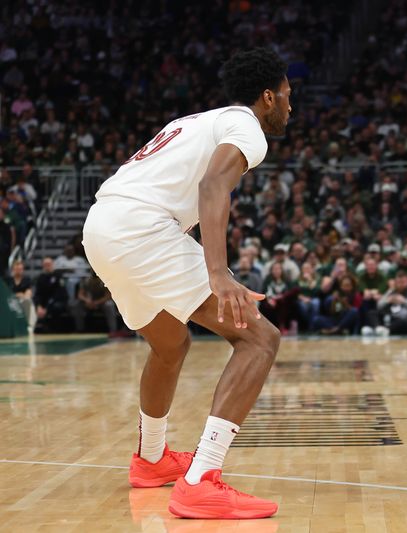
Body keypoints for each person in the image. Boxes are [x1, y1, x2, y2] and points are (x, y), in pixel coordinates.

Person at [81, 48, 291, 519]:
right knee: (259, 339)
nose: (290, 105)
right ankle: (201, 480)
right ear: (267, 98)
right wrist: (218, 274)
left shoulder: (196, 120)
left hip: (101, 226)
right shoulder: (247, 127)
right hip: (142, 229)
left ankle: (152, 459)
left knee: (170, 344)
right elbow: (214, 186)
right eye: (287, 95)